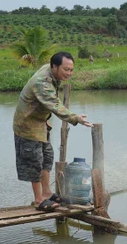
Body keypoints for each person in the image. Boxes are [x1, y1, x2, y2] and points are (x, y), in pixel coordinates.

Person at [13, 51, 93, 211]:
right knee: (34, 161)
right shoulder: (42, 82)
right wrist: (76, 118)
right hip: (27, 125)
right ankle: (38, 201)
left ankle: (47, 193)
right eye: (66, 70)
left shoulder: (51, 72)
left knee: (47, 157)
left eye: (71, 70)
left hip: (41, 123)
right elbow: (55, 105)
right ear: (54, 66)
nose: (69, 73)